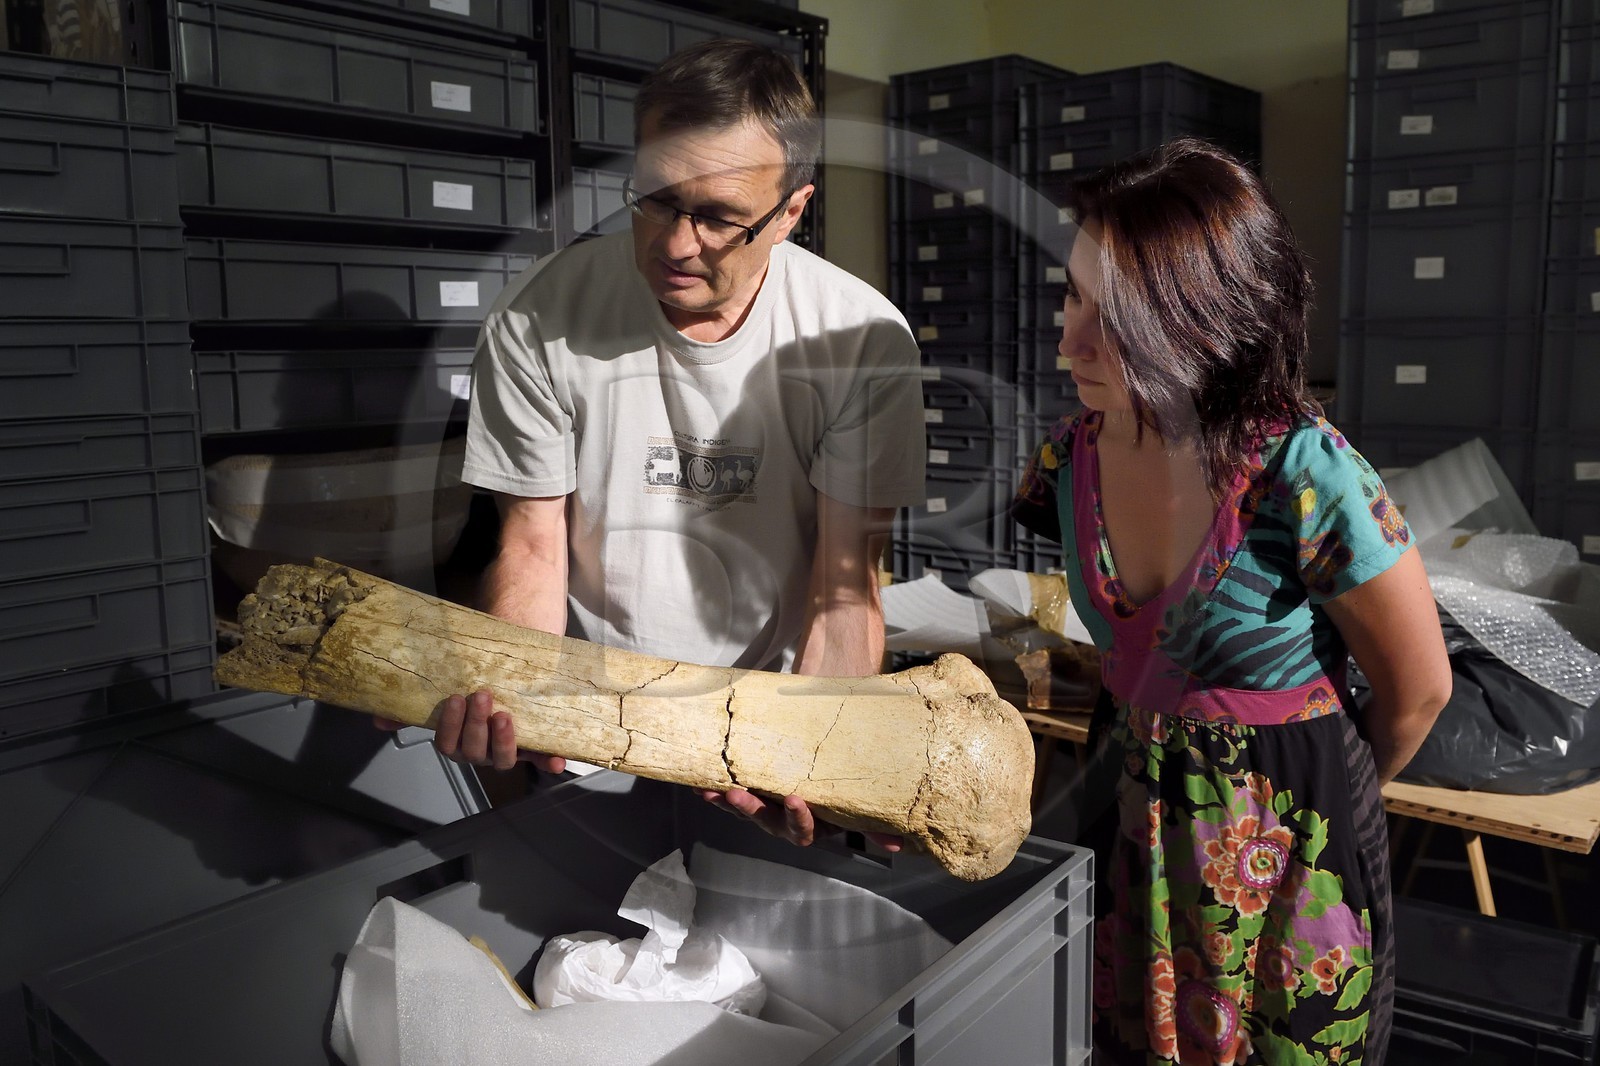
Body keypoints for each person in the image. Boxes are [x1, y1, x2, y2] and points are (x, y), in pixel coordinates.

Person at [421, 38, 926, 846]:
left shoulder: (859, 340)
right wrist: (515, 695)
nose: (676, 243)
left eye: (720, 216)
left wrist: (816, 754)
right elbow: (532, 546)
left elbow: (843, 581)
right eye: (655, 198)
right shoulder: (540, 316)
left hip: (765, 722)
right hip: (584, 717)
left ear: (791, 211)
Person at [1013, 139, 1451, 1065]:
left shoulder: (1304, 470)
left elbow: (1418, 689)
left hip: (1287, 843)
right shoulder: (1072, 457)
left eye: (1114, 314)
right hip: (1125, 810)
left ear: (1205, 316)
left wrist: (1325, 808)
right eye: (1073, 297)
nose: (1069, 342)